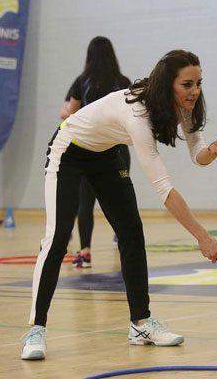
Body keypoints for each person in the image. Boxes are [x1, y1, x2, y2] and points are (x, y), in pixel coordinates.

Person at [21, 50, 217, 361]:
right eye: (187, 84)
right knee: (59, 236)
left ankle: (140, 324)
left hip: (105, 155)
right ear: (167, 83)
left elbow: (198, 153)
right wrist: (203, 236)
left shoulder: (184, 105)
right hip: (70, 151)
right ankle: (36, 329)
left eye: (199, 82)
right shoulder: (138, 114)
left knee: (132, 233)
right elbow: (164, 189)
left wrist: (213, 149)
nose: (195, 91)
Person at [60, 36, 132, 267]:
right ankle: (123, 242)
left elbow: (69, 115)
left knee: (86, 203)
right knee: (121, 200)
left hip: (90, 149)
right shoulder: (123, 81)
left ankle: (86, 252)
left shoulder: (83, 81)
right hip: (118, 150)